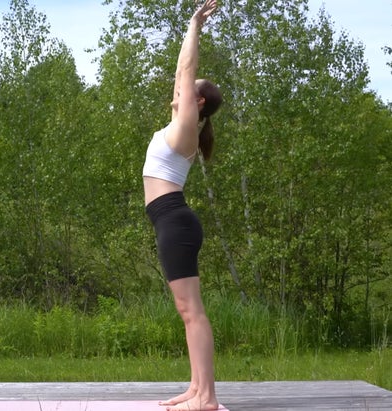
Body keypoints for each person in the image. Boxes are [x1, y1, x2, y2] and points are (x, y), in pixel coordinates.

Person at [141, 1, 222, 410]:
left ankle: (206, 397)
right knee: (185, 308)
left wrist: (194, 25)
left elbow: (185, 69)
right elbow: (182, 76)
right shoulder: (178, 126)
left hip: (176, 221)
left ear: (198, 103)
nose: (178, 88)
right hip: (170, 221)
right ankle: (195, 388)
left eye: (188, 88)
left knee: (192, 310)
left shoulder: (187, 126)